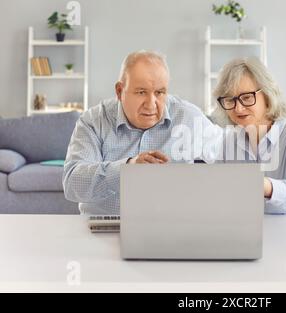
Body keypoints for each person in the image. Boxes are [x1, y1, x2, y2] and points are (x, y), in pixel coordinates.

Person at [63, 50, 221, 215]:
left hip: (171, 228)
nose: (151, 104)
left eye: (159, 93)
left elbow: (227, 156)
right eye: (141, 92)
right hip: (106, 227)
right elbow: (73, 184)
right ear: (119, 91)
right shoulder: (94, 121)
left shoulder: (188, 116)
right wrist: (127, 169)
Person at [213, 57, 286, 214]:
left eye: (247, 97)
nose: (238, 108)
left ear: (268, 96)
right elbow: (218, 192)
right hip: (249, 232)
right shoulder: (229, 141)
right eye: (230, 99)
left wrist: (261, 185)